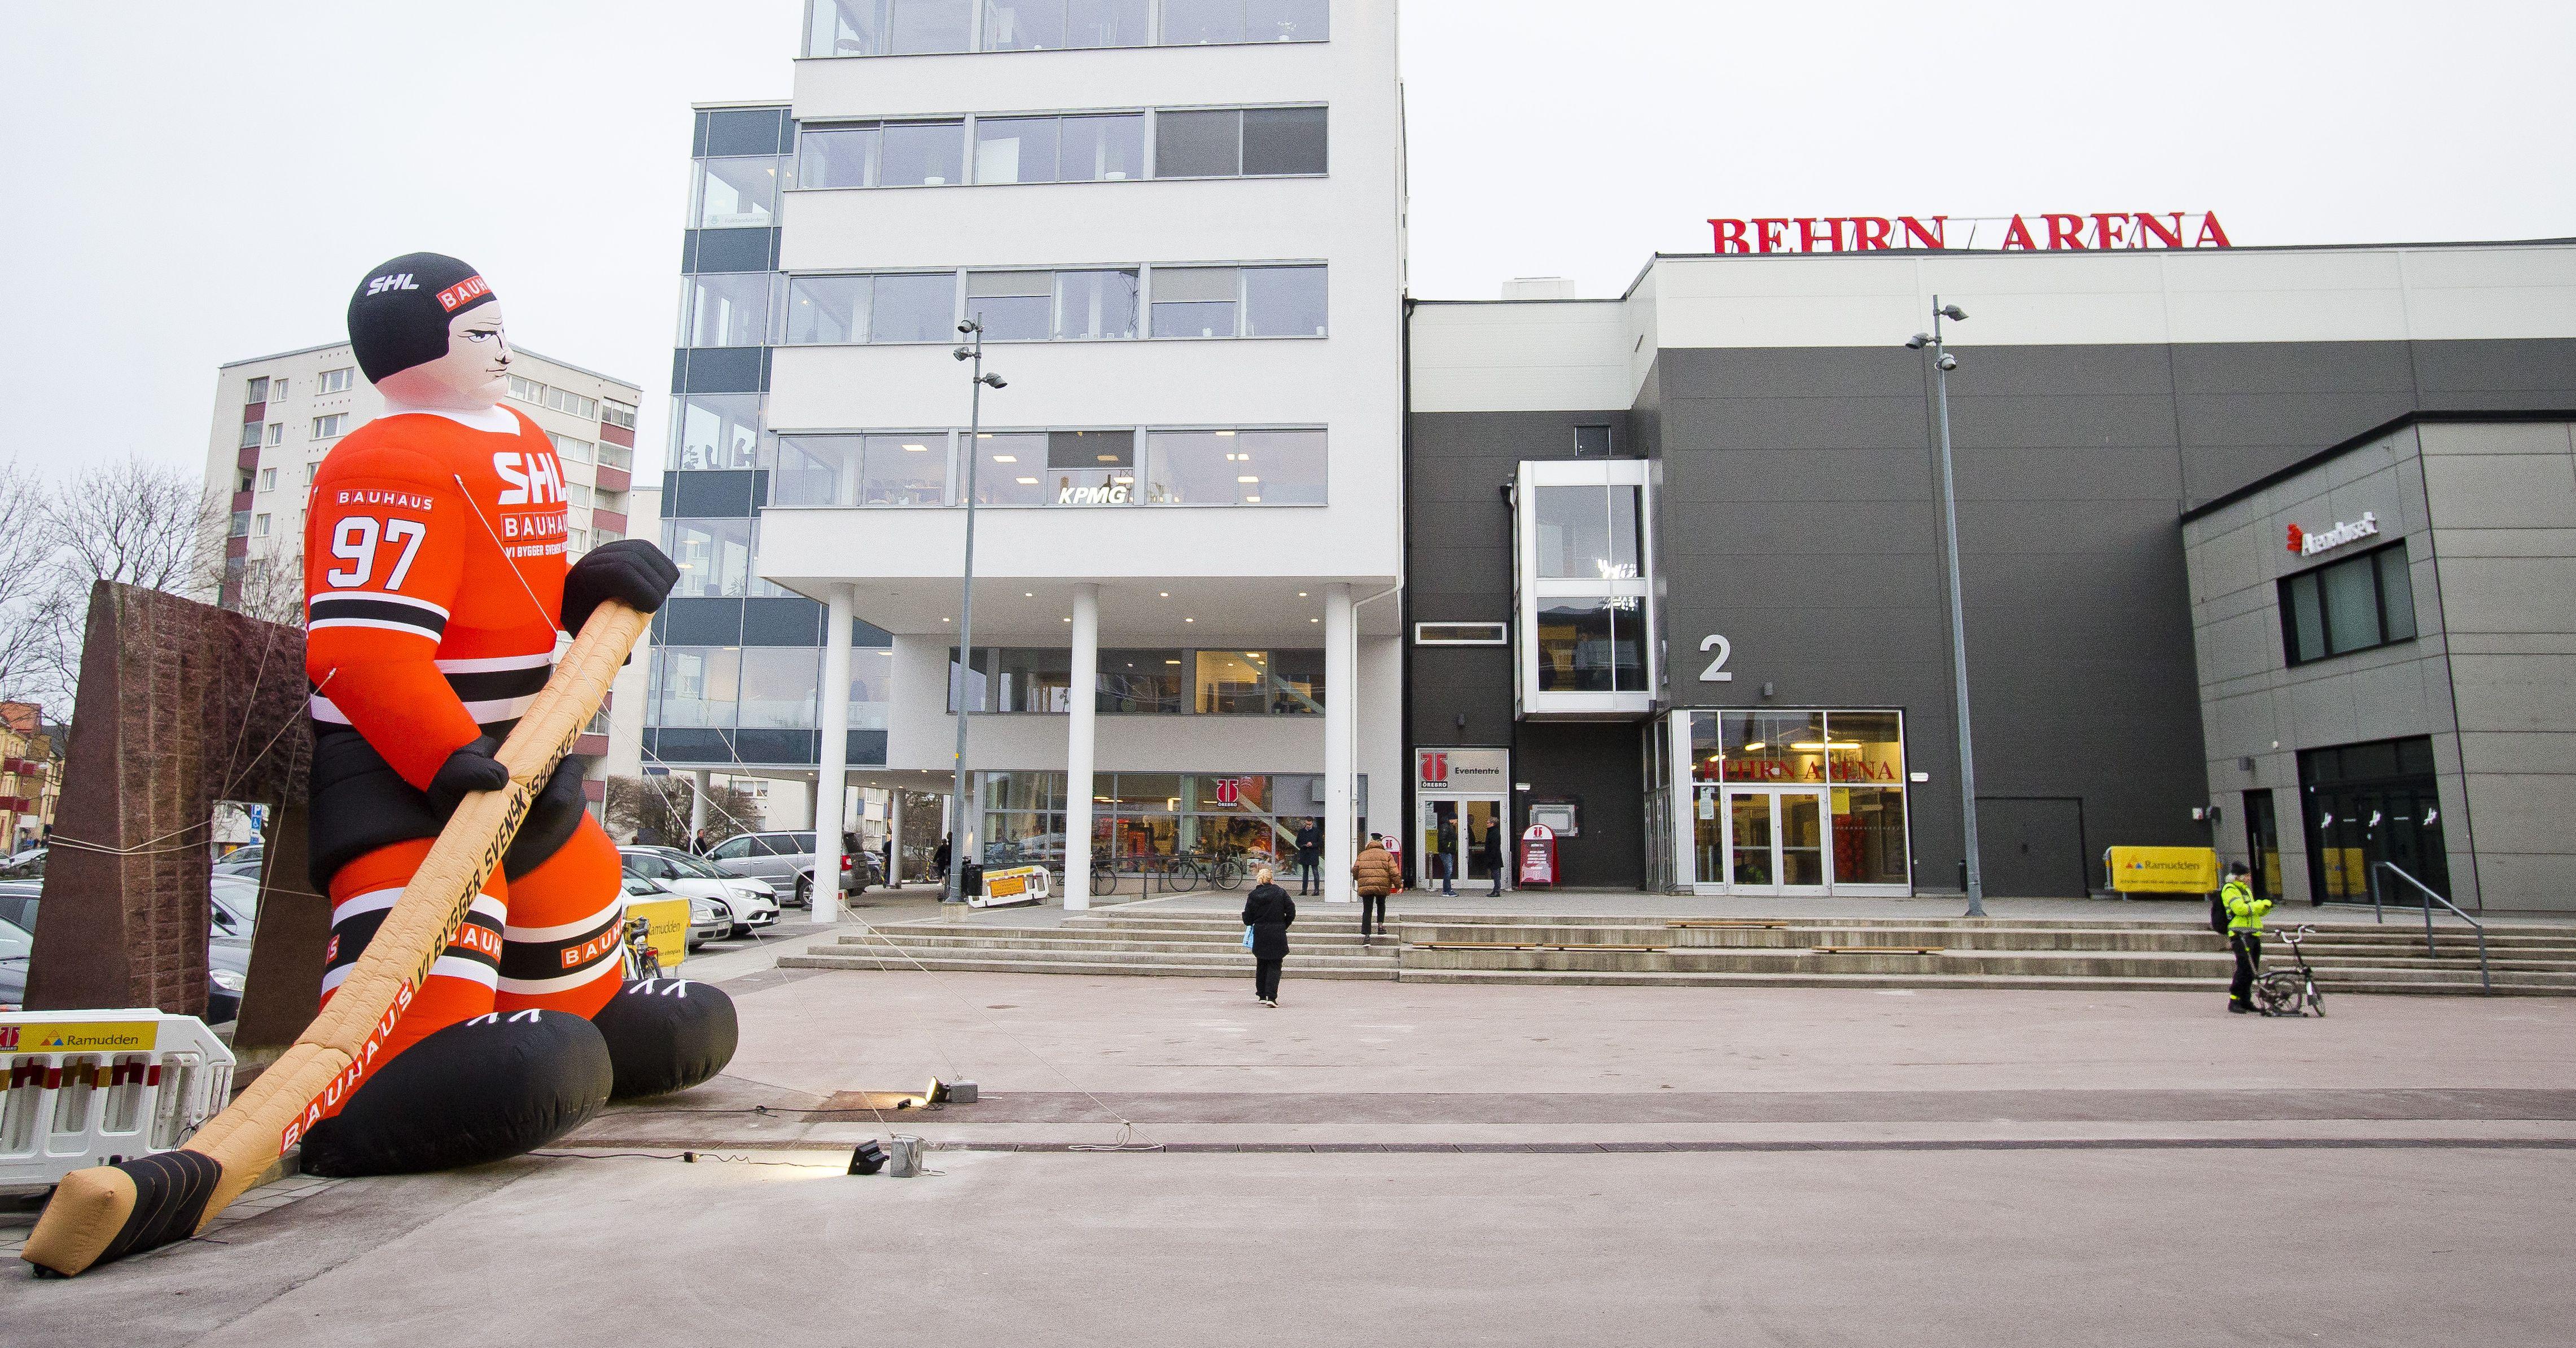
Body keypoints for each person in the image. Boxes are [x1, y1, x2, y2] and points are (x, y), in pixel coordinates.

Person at [1241, 865, 1296, 1007]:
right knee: (1275, 964)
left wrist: (1253, 922)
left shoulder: (1253, 895)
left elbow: (1247, 918)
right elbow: (1291, 911)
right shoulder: (1280, 893)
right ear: (1272, 879)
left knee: (1262, 963)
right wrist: (1284, 924)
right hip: (1277, 932)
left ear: (1259, 880)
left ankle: (1261, 995)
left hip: (1260, 932)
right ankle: (1272, 996)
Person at [2221, 860, 2271, 1013]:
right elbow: (2240, 909)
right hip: (2240, 935)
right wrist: (2259, 904)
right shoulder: (2230, 889)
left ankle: (2246, 999)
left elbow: (2251, 911)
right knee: (2243, 968)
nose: (2249, 878)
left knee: (2252, 969)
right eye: (2247, 875)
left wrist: (2265, 908)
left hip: (2253, 934)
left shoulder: (2245, 890)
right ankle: (2234, 1000)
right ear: (2239, 877)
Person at [1351, 833, 1400, 944]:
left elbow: (1355, 869)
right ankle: (1381, 926)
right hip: (1382, 884)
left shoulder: (1363, 854)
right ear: (1381, 843)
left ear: (1371, 842)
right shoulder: (1387, 855)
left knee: (1367, 910)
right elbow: (1394, 872)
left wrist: (1358, 879)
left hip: (1367, 885)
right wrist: (1398, 886)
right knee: (1381, 904)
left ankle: (1367, 937)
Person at [1294, 818, 1323, 896]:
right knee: (1305, 873)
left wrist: (1312, 844)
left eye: (1309, 824)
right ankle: (1304, 891)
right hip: (1304, 854)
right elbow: (1297, 842)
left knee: (1315, 872)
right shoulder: (1301, 831)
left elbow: (1321, 843)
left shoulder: (1317, 831)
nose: (1308, 826)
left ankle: (1317, 891)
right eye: (1307, 824)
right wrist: (1302, 845)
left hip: (1313, 854)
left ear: (1312, 823)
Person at [1435, 813, 1459, 896]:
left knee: (1449, 871)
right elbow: (1442, 840)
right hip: (1446, 852)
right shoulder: (1445, 827)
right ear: (1452, 819)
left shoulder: (1450, 826)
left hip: (1449, 852)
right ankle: (1447, 891)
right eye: (1456, 820)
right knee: (1448, 871)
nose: (1457, 822)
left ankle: (1448, 889)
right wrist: (1448, 849)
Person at [1481, 821, 1506, 897]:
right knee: (1495, 874)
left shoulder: (1494, 833)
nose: (1487, 824)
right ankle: (1495, 890)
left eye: (1489, 823)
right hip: (1494, 856)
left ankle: (1497, 891)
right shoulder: (1492, 831)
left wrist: (1491, 858)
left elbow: (1494, 846)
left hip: (1494, 857)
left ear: (1493, 824)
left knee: (1496, 874)